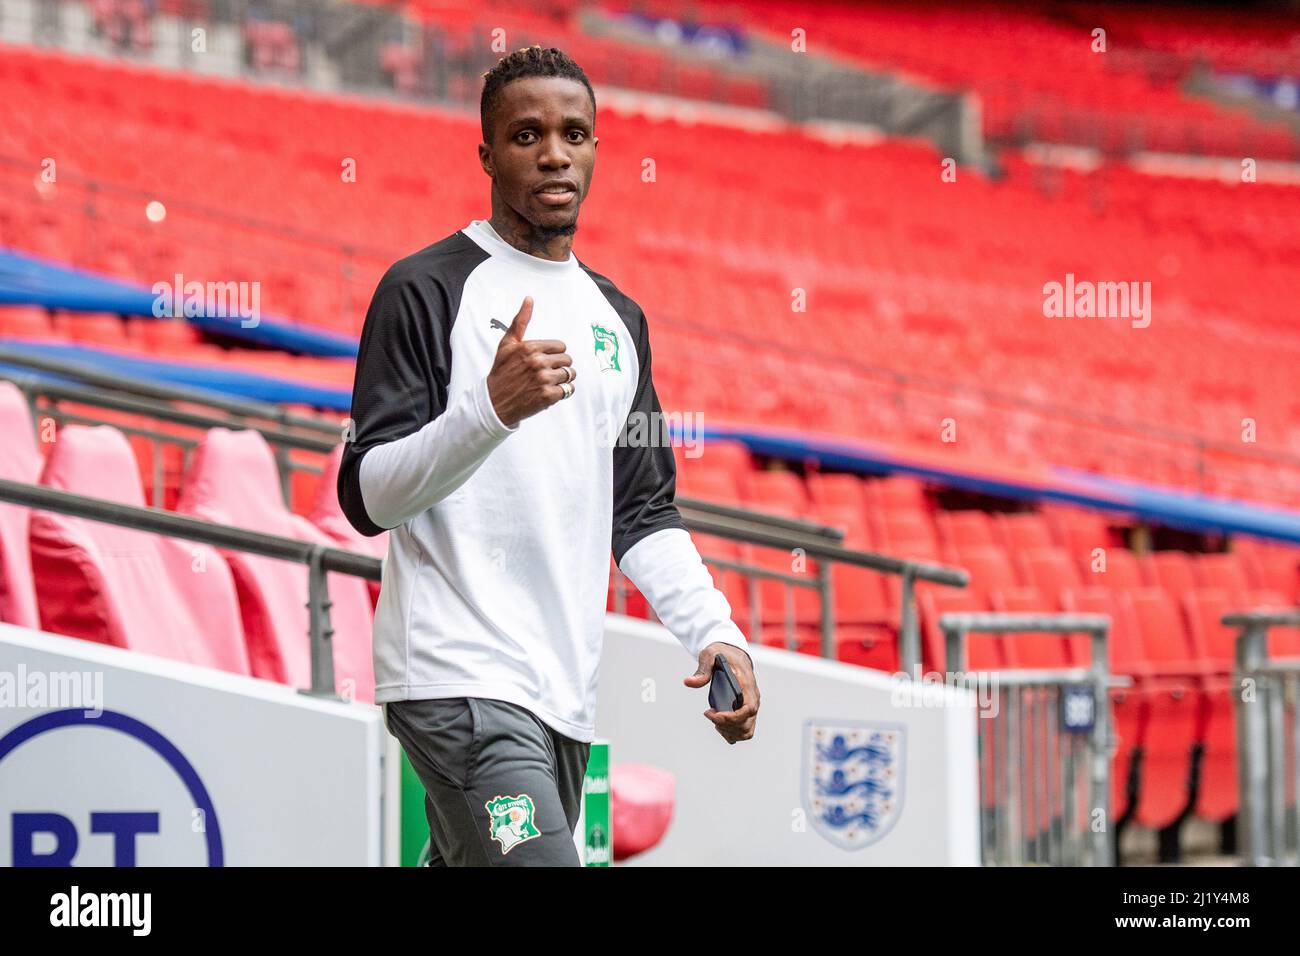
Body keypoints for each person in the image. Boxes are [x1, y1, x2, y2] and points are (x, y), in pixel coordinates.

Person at [338, 45, 760, 866]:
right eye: (527, 134)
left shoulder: (619, 319)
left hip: (561, 692)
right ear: (487, 153)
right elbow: (366, 496)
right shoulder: (424, 290)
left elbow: (642, 510)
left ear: (598, 149)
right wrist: (488, 412)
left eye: (575, 133)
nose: (554, 153)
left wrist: (716, 633)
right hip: (454, 675)